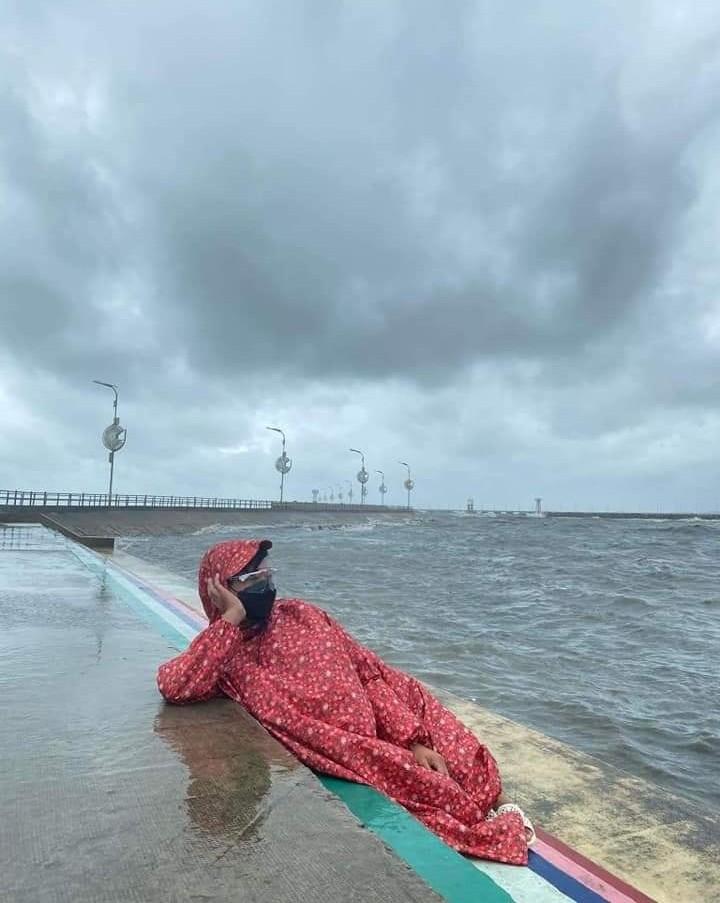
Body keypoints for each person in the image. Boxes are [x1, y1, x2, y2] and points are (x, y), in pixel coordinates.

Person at [156, 539, 533, 865]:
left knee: (456, 752)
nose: (265, 584)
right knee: (442, 798)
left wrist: (413, 738)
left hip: (386, 710)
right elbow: (175, 685)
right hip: (347, 746)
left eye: (266, 575)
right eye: (251, 579)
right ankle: (495, 820)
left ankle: (498, 796)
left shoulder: (300, 614)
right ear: (220, 590)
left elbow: (366, 670)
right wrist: (232, 619)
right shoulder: (224, 655)